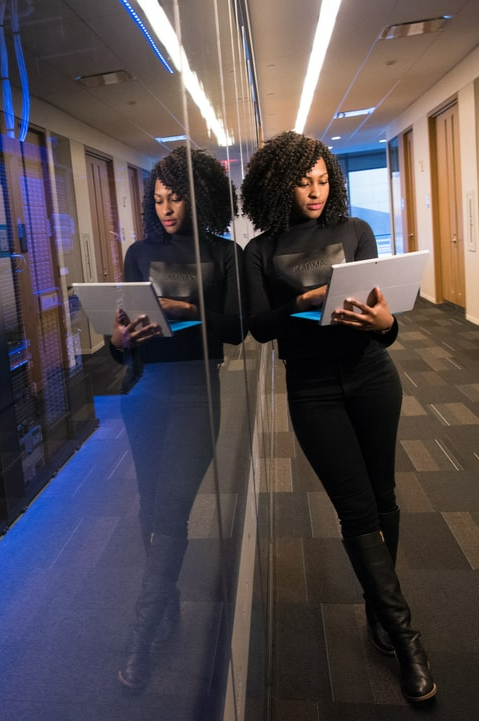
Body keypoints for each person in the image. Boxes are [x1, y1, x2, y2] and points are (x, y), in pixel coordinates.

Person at [240, 131, 437, 704]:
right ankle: (407, 642)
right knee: (355, 511)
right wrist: (301, 303)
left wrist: (386, 325)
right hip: (312, 388)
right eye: (304, 182)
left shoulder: (355, 232)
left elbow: (385, 317)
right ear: (280, 184)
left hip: (372, 375)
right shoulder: (261, 250)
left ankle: (380, 609)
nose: (316, 191)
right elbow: (258, 325)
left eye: (324, 180)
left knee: (384, 497)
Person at [109, 146, 245, 691]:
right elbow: (120, 341)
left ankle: (141, 637)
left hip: (196, 393)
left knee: (169, 510)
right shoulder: (139, 252)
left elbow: (237, 329)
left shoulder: (223, 253)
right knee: (150, 511)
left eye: (176, 197)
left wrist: (190, 312)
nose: (167, 208)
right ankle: (168, 608)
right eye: (159, 199)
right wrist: (119, 340)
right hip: (145, 390)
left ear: (199, 195)